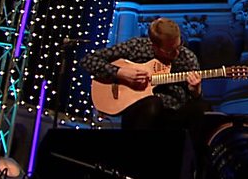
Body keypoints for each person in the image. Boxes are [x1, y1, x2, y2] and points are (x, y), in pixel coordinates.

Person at [81, 17, 209, 130]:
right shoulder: (137, 47)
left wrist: (196, 91)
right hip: (140, 111)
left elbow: (196, 98)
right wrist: (120, 73)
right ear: (154, 46)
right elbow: (88, 60)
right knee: (153, 104)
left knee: (202, 109)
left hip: (175, 114)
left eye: (179, 46)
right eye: (170, 51)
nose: (177, 53)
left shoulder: (187, 57)